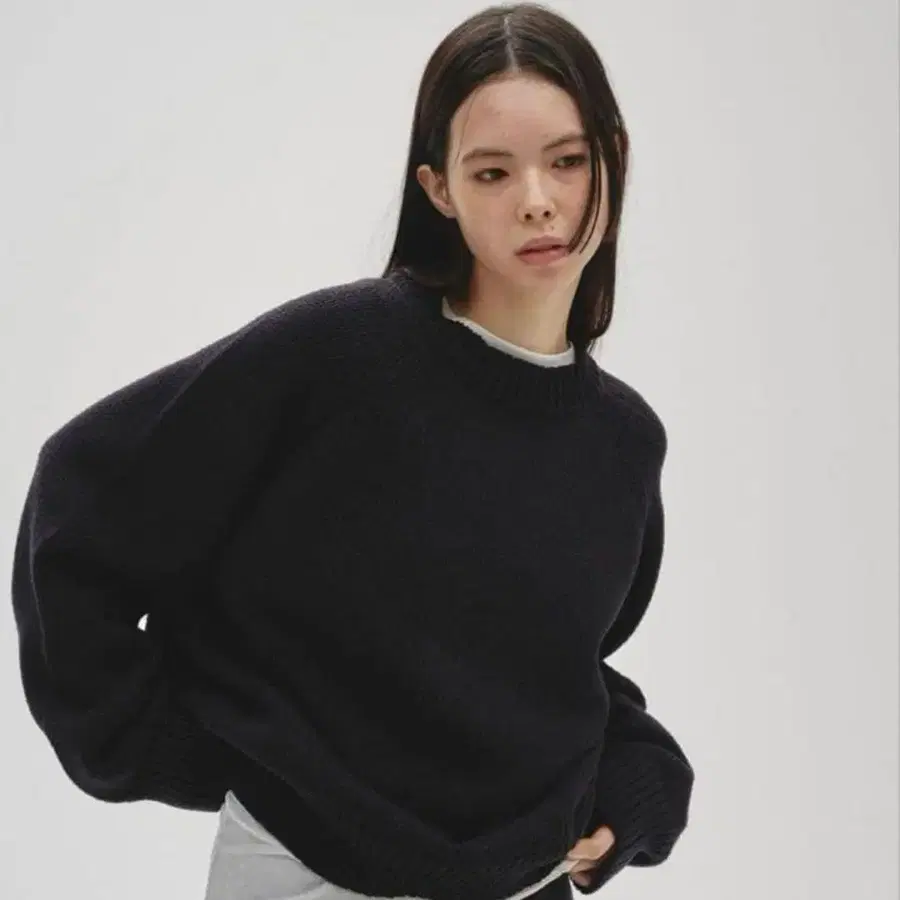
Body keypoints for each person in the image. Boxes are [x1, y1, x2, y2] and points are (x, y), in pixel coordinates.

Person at [10, 3, 695, 899]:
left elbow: (536, 661)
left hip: (527, 883)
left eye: (567, 160)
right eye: (492, 171)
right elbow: (81, 498)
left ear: (614, 156)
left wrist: (639, 774)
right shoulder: (344, 355)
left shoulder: (623, 442)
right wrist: (170, 749)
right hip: (309, 874)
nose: (537, 198)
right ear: (438, 190)